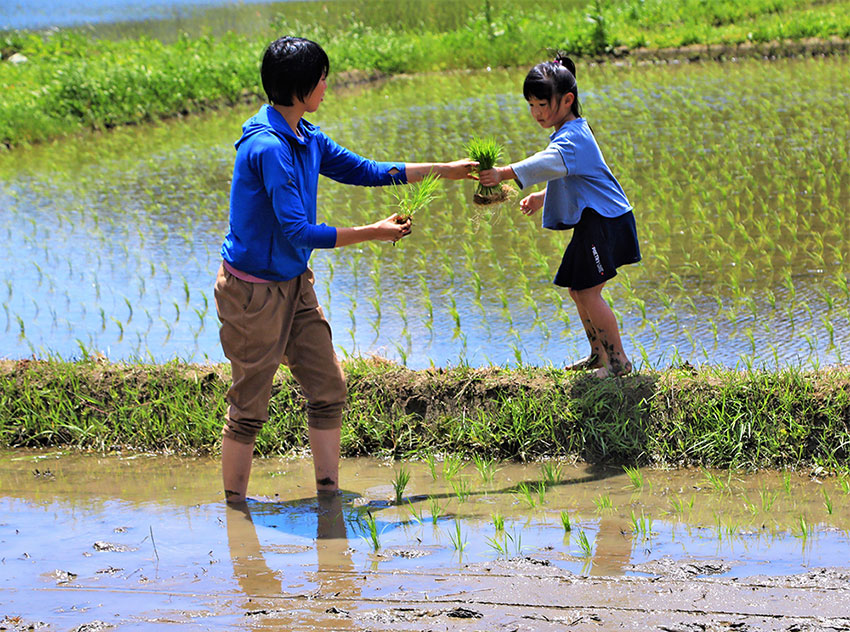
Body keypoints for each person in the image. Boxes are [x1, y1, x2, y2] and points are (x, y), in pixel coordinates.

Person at [215, 36, 475, 504]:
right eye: (320, 78)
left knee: (329, 388)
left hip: (294, 285)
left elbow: (367, 170)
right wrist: (373, 231)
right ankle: (235, 512)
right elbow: (298, 231)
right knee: (250, 407)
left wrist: (445, 170)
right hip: (253, 293)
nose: (326, 85)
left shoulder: (305, 136)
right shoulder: (268, 148)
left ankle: (328, 494)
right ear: (300, 87)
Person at [477, 54, 640, 378]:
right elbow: (571, 177)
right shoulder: (570, 132)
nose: (536, 113)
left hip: (606, 220)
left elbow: (546, 162)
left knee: (589, 292)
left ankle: (618, 362)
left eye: (542, 104)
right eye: (531, 105)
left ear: (567, 100)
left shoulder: (573, 137)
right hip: (595, 219)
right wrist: (542, 197)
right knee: (578, 290)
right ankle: (599, 356)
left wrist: (503, 173)